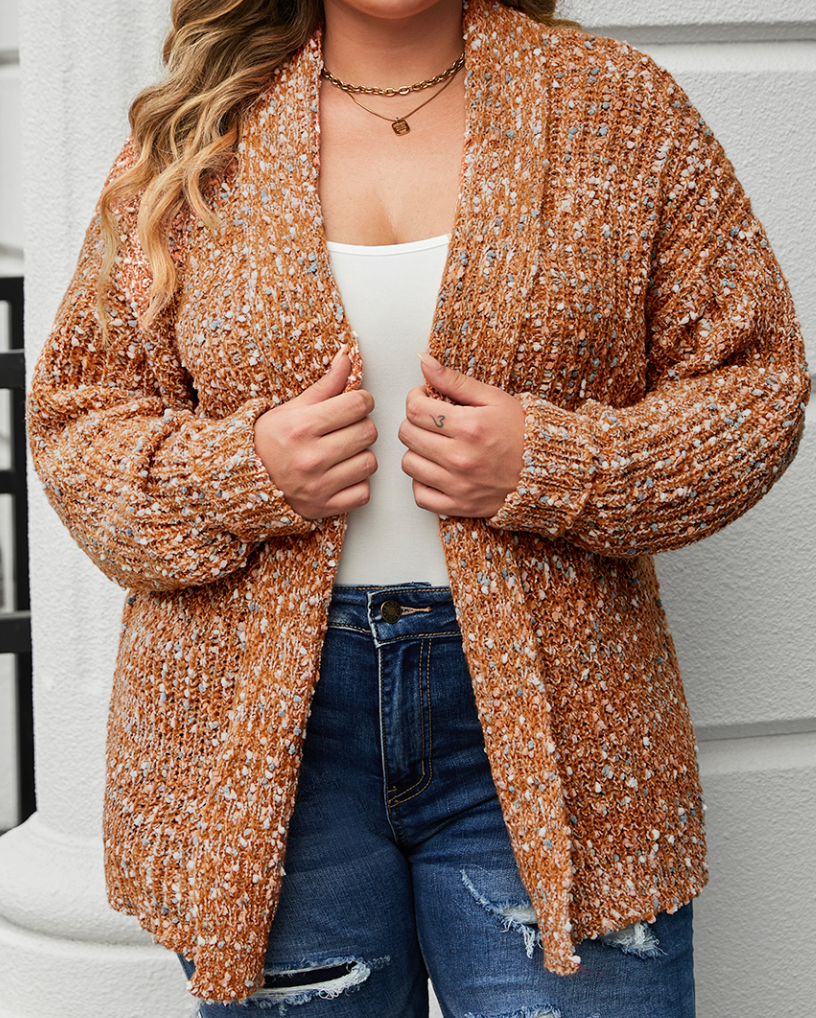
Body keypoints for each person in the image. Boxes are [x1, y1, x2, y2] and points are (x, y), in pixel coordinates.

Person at [26, 0, 809, 1015]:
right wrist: (240, 471)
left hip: (562, 723)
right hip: (258, 736)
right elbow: (76, 424)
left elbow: (756, 387)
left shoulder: (618, 112)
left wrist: (556, 462)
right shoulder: (197, 133)